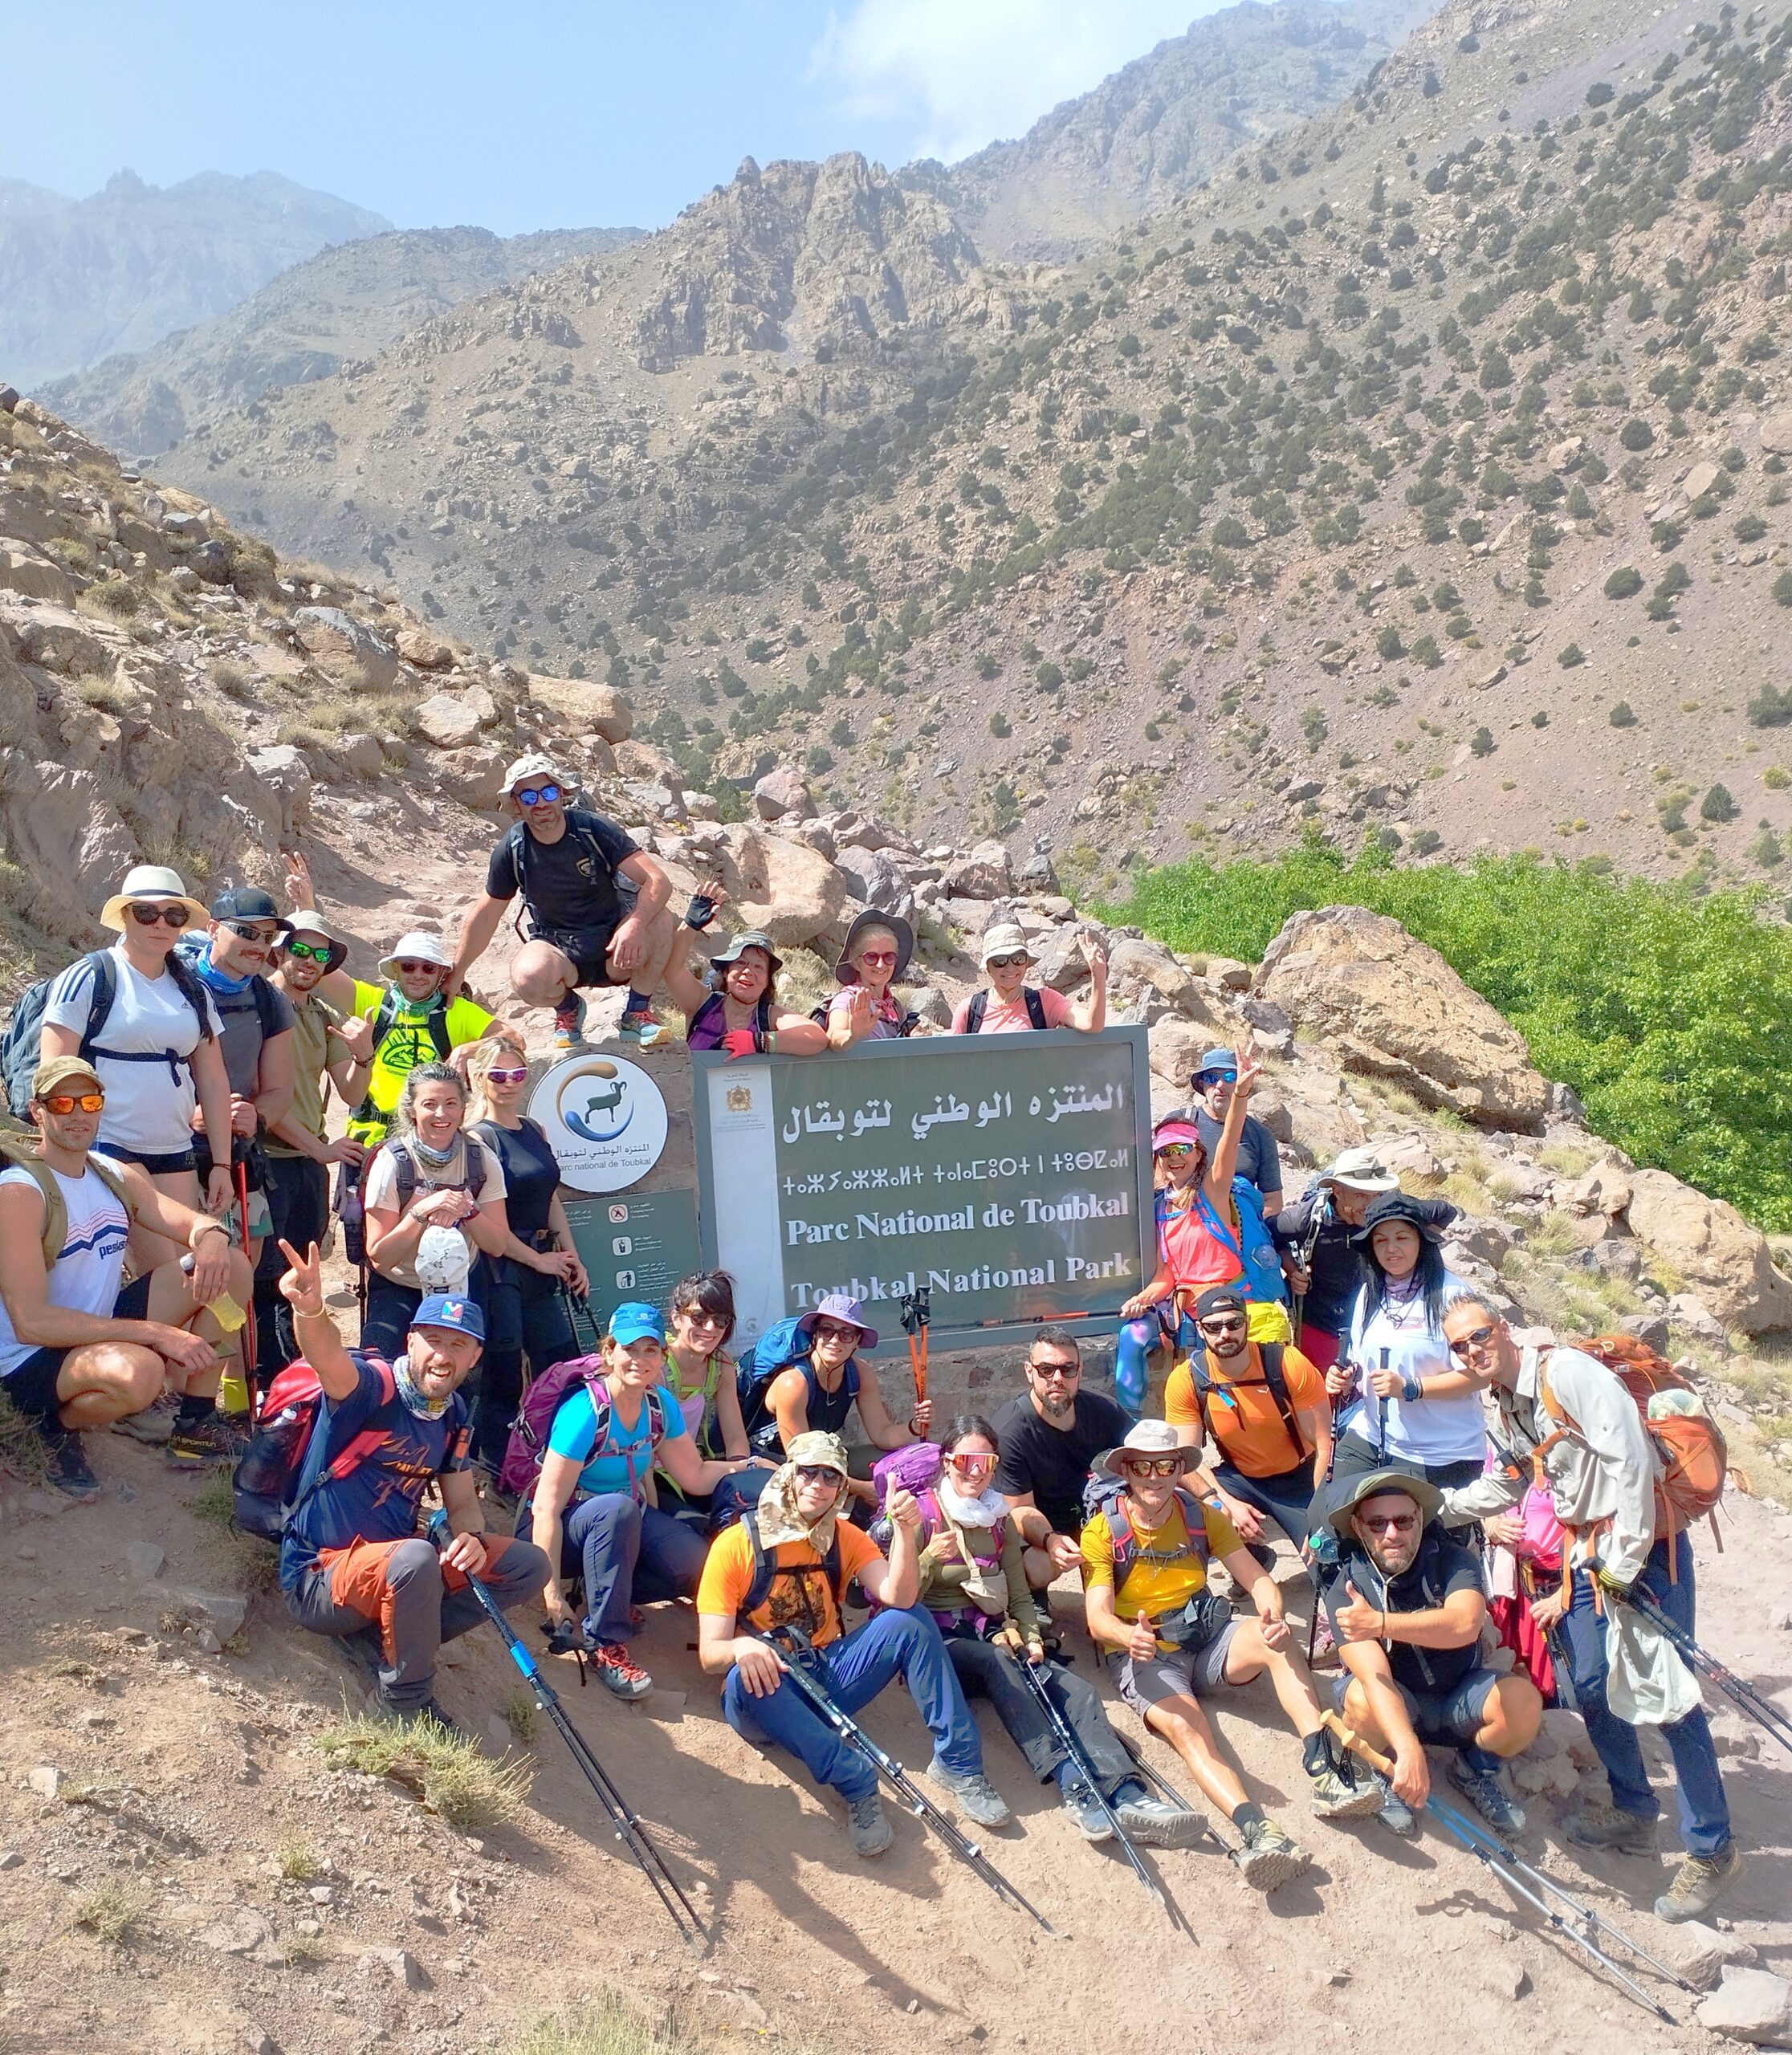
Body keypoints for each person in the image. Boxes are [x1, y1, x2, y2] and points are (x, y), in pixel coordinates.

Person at [1440, 1294, 1740, 1921]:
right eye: (1459, 1346)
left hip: (1641, 1554)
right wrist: (1437, 1508)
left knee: (1670, 1698)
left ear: (1504, 1328)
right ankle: (1634, 1809)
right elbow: (1515, 1479)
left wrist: (1625, 1563)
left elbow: (1630, 1464)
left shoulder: (1567, 1374)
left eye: (1479, 1335)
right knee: (1592, 1686)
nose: (1471, 1350)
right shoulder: (1507, 1403)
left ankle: (1712, 1848)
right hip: (1589, 1556)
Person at [1081, 1420, 1378, 1890]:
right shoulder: (1102, 1532)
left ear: (1179, 1469)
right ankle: (1258, 1831)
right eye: (1142, 1467)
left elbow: (1257, 1578)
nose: (1154, 1477)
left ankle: (1323, 1767)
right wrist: (1125, 1634)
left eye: (1165, 1466)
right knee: (1187, 1729)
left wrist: (1271, 1610)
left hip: (1206, 1635)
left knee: (1276, 1641)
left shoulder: (1200, 1517)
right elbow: (1097, 1616)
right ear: (1126, 1471)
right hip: (1147, 1653)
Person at [880, 1417, 1201, 1846]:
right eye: (965, 1460)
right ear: (946, 1462)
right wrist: (929, 1560)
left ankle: (1130, 1796)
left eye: (986, 1462)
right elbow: (898, 1602)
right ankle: (1074, 1785)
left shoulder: (997, 1518)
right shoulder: (922, 1517)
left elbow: (1017, 1593)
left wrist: (1031, 1636)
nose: (976, 1471)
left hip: (997, 1635)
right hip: (942, 1647)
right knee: (1001, 1666)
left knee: (1076, 1691)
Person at [275, 1242, 548, 1727]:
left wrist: (469, 1536)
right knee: (417, 1557)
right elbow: (328, 1358)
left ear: (475, 1357)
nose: (442, 1355)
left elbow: (461, 1503)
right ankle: (404, 1701)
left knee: (528, 1566)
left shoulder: (453, 1415)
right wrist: (311, 1309)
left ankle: (391, 1634)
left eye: (458, 1345)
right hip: (319, 1577)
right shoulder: (371, 1388)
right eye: (433, 1340)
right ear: (411, 1342)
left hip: (395, 1571)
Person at [697, 1430, 1009, 1856]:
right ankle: (856, 1782)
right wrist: (741, 1647)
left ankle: (959, 1764)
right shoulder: (735, 1546)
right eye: (808, 1472)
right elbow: (711, 1653)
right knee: (741, 1677)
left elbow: (899, 1597)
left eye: (831, 1476)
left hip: (826, 1670)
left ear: (841, 1487)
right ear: (789, 1475)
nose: (818, 1484)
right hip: (771, 1691)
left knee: (911, 1620)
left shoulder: (842, 1536)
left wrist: (905, 1533)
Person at [0, 1055, 253, 1495]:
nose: (78, 1114)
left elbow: (187, 1222)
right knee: (142, 1373)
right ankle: (54, 1429)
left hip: (99, 1325)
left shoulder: (108, 1172)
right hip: (32, 1356)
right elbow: (31, 1323)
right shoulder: (21, 1194)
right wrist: (156, 1334)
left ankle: (195, 1423)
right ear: (38, 1112)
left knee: (232, 1266)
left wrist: (211, 1236)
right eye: (62, 1104)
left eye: (89, 1102)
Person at [523, 1302, 757, 1699]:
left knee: (696, 1563)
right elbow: (545, 1507)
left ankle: (612, 1596)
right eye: (629, 1348)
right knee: (617, 1510)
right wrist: (552, 1595)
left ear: (662, 1357)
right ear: (609, 1352)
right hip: (568, 1531)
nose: (640, 1359)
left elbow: (695, 1475)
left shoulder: (659, 1405)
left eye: (650, 1350)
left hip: (624, 1519)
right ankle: (605, 1642)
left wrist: (748, 1466)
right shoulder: (585, 1412)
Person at [1323, 1467, 1541, 1837]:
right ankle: (1386, 1769)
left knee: (1524, 1702)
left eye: (1403, 1520)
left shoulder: (1454, 1560)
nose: (1392, 1534)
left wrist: (1380, 1623)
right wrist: (1407, 1747)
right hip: (1399, 1701)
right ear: (1358, 1527)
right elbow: (1375, 1678)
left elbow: (1465, 1624)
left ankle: (1473, 1769)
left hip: (1460, 1693)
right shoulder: (1346, 1589)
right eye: (1377, 1524)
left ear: (1420, 1520)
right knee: (1359, 1698)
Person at [39, 865, 234, 1248]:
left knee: (189, 1266)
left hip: (175, 1148)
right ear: (126, 916)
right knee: (166, 1267)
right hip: (107, 1143)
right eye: (147, 913)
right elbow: (52, 1074)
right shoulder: (89, 976)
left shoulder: (194, 991)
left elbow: (214, 1081)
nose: (160, 923)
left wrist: (222, 1164)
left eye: (173, 915)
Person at [448, 753, 678, 1050]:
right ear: (516, 804)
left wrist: (635, 923)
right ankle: (568, 1008)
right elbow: (486, 915)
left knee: (660, 918)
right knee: (527, 976)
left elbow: (658, 880)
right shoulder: (513, 849)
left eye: (548, 792)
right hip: (560, 953)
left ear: (561, 793)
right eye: (529, 796)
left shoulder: (593, 830)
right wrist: (458, 972)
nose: (540, 803)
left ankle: (637, 1011)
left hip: (616, 949)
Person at [1115, 1040, 1280, 1415]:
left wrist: (1241, 1095)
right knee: (1131, 1336)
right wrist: (1142, 1299)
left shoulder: (1213, 1193)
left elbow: (1229, 1142)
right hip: (1185, 1310)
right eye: (1166, 1152)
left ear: (1198, 1153)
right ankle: (1130, 1426)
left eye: (1182, 1149)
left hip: (1226, 1306)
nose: (1174, 1158)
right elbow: (1166, 1275)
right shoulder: (1159, 1209)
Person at [255, 910, 373, 1377]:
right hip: (266, 1160)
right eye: (300, 950)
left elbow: (352, 1093)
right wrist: (321, 1150)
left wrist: (364, 1055)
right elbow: (264, 1099)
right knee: (266, 1277)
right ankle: (268, 1381)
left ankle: (294, 1378)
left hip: (307, 1162)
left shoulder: (322, 1015)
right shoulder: (257, 1004)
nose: (309, 961)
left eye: (320, 955)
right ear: (279, 952)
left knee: (302, 1275)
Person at [463, 1040, 586, 1478]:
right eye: (498, 1075)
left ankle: (562, 1456)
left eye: (517, 1074)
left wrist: (571, 1256)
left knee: (562, 1366)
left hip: (540, 1263)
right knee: (503, 1374)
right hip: (500, 1268)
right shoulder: (477, 1138)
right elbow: (490, 1228)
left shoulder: (534, 1129)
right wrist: (539, 1261)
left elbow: (550, 1199)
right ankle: (498, 1468)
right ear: (480, 1079)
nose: (509, 1083)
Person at [167, 886, 298, 1284]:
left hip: (239, 1158)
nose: (258, 946)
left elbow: (280, 1092)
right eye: (246, 932)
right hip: (169, 1156)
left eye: (268, 937)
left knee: (239, 1277)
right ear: (213, 929)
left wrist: (254, 1116)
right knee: (181, 1278)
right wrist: (188, 1115)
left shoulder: (271, 1001)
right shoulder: (169, 986)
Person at [304, 919, 512, 1151]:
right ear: (396, 969)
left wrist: (466, 1051)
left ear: (441, 973)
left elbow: (513, 1039)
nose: (418, 974)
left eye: (428, 968)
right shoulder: (373, 1002)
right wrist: (305, 912)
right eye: (408, 966)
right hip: (369, 1142)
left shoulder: (457, 1011)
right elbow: (320, 967)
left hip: (433, 1141)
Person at [1326, 1193, 1485, 1494]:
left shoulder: (1453, 1295)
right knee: (1328, 1512)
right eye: (1381, 1241)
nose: (1391, 1249)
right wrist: (1346, 1378)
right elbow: (1361, 1361)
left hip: (1442, 1453)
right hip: (1371, 1436)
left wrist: (1411, 1388)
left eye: (1402, 1237)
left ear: (1422, 1241)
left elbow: (1481, 1375)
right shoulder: (1370, 1294)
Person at [1166, 1284, 1330, 1567]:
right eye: (1214, 1327)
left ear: (1247, 1324)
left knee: (1324, 1559)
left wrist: (1321, 1512)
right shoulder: (1187, 1380)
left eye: (1234, 1324)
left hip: (1300, 1477)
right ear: (1200, 1330)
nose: (1224, 1334)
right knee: (1183, 1502)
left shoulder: (1286, 1363)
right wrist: (1222, 1503)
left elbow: (1325, 1444)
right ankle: (1252, 1561)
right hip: (1241, 1478)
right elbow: (1185, 1458)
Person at [360, 1064, 509, 1359]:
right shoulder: (392, 1162)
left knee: (460, 1369)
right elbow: (380, 1258)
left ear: (463, 1109)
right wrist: (420, 1212)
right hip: (400, 1285)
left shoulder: (480, 1158)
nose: (441, 1114)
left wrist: (467, 1210)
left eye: (451, 1103)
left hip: (460, 1285)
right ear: (412, 1110)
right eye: (430, 1104)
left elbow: (497, 1245)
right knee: (381, 1365)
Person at [734, 1294, 929, 1508]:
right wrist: (863, 1489)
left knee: (903, 1461)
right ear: (815, 1335)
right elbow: (802, 1462)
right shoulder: (793, 1384)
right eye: (827, 1330)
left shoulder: (859, 1373)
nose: (835, 1340)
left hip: (823, 1460)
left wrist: (914, 1427)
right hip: (779, 1464)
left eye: (846, 1333)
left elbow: (882, 1434)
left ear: (857, 1341)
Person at [1273, 1148, 1458, 1373]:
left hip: (1378, 1320)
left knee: (1375, 1387)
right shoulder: (1308, 1217)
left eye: (1377, 1194)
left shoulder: (1390, 1211)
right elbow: (1270, 1236)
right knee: (1323, 1389)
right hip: (1320, 1322)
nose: (1371, 1205)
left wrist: (1417, 1247)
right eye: (1361, 1195)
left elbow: (1445, 1211)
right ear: (1338, 1191)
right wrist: (1293, 1271)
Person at [992, 1328, 1130, 1593]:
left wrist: (1208, 1497)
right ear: (1029, 1371)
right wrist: (1050, 1539)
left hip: (1098, 1519)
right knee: (1036, 1566)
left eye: (1068, 1369)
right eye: (1046, 1369)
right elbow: (1020, 1509)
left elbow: (1148, 1452)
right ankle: (1032, 1596)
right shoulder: (1010, 1431)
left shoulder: (1104, 1410)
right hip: (1044, 1528)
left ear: (1080, 1371)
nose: (1057, 1378)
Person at [664, 927, 829, 1056]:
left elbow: (817, 1038)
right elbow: (672, 969)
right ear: (726, 972)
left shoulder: (770, 1016)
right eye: (741, 963)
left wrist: (758, 1042)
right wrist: (692, 924)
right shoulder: (703, 1003)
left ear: (767, 981)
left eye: (758, 967)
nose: (748, 971)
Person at [948, 924, 1108, 1035]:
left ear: (1026, 963)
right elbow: (953, 1063)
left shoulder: (1046, 1001)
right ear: (988, 968)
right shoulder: (969, 1010)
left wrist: (1098, 973)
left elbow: (1092, 1025)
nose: (1010, 968)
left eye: (1018, 958)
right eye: (1000, 961)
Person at [1188, 1047, 1282, 1217]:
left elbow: (1273, 1200)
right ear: (1202, 1085)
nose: (1220, 1085)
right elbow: (1159, 1181)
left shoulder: (1260, 1135)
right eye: (1212, 1078)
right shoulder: (1183, 1124)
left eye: (1229, 1077)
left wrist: (1243, 1225)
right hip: (1187, 1223)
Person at [825, 911, 920, 1048]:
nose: (881, 965)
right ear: (855, 962)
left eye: (889, 957)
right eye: (871, 957)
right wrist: (852, 1035)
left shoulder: (895, 1006)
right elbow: (834, 1036)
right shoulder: (848, 1000)